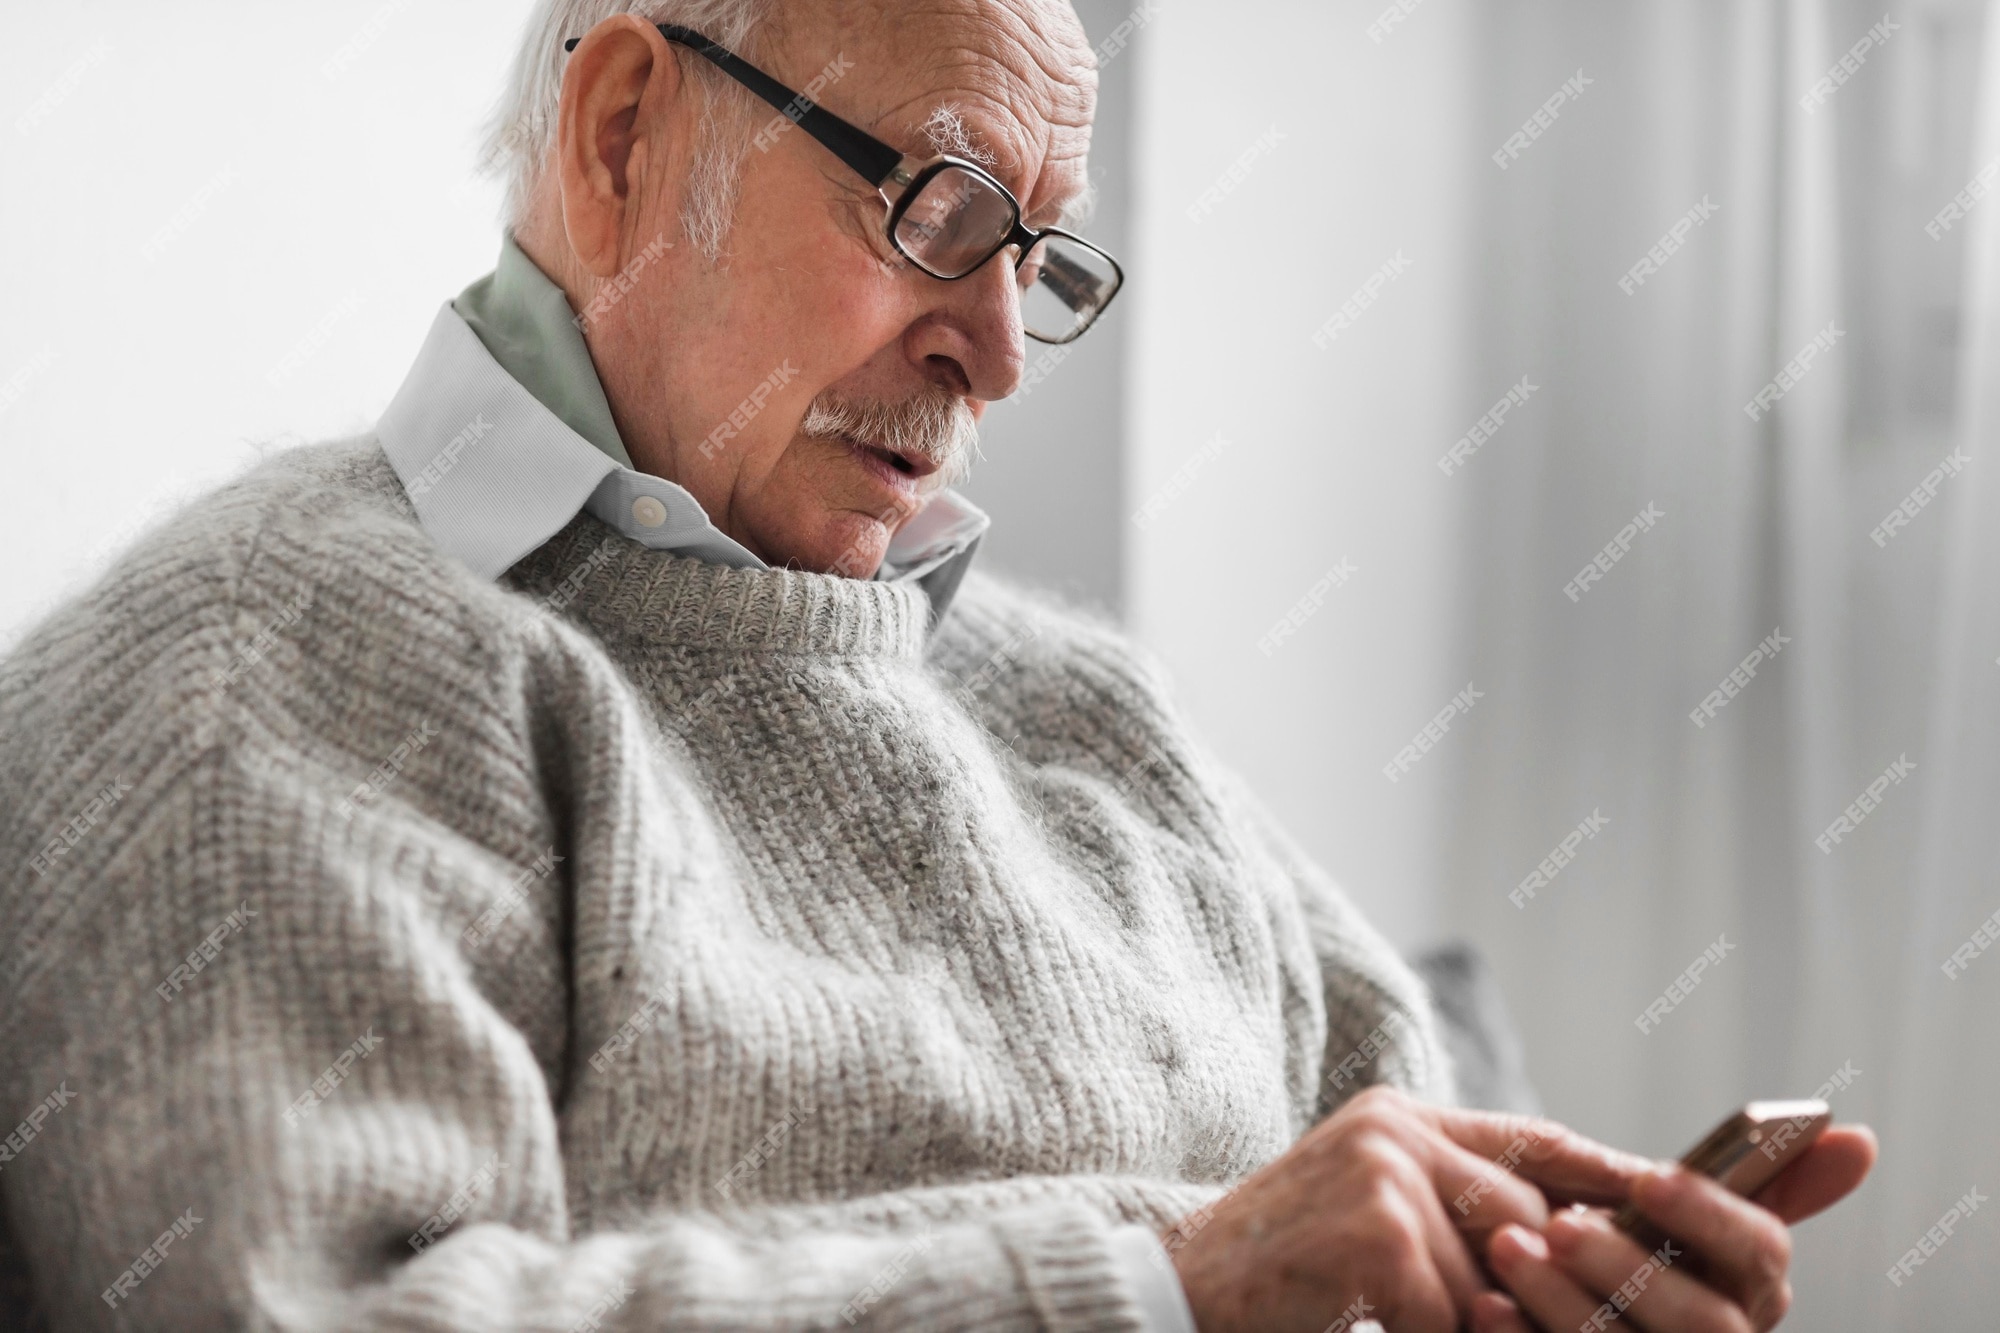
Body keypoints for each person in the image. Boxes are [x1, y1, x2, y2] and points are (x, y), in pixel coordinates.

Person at [0, 1, 1872, 1328]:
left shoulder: (1086, 708)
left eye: (1038, 259)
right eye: (940, 209)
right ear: (629, 130)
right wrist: (1157, 1290)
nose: (999, 344)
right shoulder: (266, 658)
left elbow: (1393, 1194)